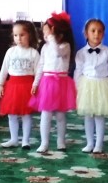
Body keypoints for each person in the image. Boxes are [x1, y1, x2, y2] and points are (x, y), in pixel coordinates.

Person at [29, 12, 76, 153]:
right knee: (46, 114)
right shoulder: (45, 47)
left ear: (55, 31)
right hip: (47, 83)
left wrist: (51, 37)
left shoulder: (65, 46)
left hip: (61, 83)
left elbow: (58, 53)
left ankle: (61, 141)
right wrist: (35, 83)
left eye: (46, 31)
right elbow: (41, 66)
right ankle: (44, 143)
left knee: (61, 115)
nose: (45, 35)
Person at [75, 18, 108, 154]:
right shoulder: (81, 53)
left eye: (99, 31)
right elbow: (78, 71)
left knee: (99, 115)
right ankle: (89, 143)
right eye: (93, 31)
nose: (96, 34)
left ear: (103, 34)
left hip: (102, 85)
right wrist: (77, 87)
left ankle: (99, 144)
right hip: (86, 85)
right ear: (86, 33)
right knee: (88, 115)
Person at [0, 20, 40, 150]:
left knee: (26, 114)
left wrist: (36, 85)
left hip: (27, 87)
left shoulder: (33, 53)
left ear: (30, 35)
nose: (18, 38)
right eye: (16, 35)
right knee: (12, 114)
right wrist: (1, 84)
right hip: (12, 86)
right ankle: (14, 139)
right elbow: (4, 68)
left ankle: (25, 141)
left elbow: (38, 71)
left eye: (22, 35)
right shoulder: (10, 51)